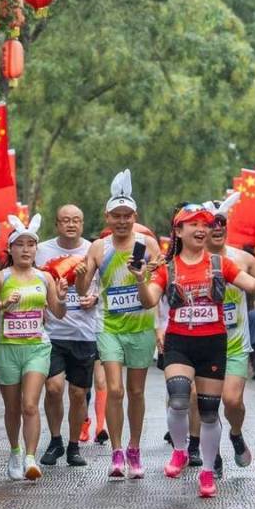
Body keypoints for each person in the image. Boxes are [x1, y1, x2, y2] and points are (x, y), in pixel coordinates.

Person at [135, 203, 255, 498]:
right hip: (179, 342)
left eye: (205, 224)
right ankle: (181, 451)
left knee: (209, 412)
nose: (201, 229)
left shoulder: (221, 265)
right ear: (179, 231)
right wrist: (138, 278)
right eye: (194, 223)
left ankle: (208, 472)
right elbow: (148, 301)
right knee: (180, 394)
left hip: (213, 343)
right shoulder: (168, 268)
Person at [75, 170, 160, 479]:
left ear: (134, 216)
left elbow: (159, 284)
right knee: (115, 390)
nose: (122, 221)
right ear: (107, 216)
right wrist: (79, 275)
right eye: (116, 216)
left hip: (141, 327)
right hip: (109, 328)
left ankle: (134, 449)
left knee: (136, 391)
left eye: (127, 215)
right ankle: (116, 451)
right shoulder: (98, 248)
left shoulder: (149, 244)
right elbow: (84, 291)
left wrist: (148, 271)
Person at [0, 214, 68, 481]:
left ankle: (30, 458)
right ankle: (15, 451)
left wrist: (61, 299)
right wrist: (2, 306)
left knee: (30, 405)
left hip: (37, 348)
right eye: (20, 244)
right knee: (13, 407)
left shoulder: (44, 278)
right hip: (7, 348)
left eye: (31, 245)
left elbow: (58, 313)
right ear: (11, 249)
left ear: (36, 249)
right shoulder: (0, 278)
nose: (26, 249)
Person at [205, 193, 255, 475]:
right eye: (211, 223)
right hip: (202, 342)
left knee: (231, 401)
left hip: (235, 343)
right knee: (205, 402)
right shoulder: (189, 260)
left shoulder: (243, 258)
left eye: (222, 223)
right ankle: (212, 455)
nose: (217, 227)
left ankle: (236, 433)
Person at [36, 204, 100, 468]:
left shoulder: (93, 250)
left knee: (77, 392)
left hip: (84, 332)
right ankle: (55, 440)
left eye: (76, 220)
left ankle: (73, 446)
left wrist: (94, 297)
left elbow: (106, 286)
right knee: (53, 388)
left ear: (82, 224)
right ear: (57, 224)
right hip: (52, 332)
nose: (71, 224)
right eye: (65, 220)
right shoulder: (42, 251)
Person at [79, 362, 109, 444]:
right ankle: (84, 425)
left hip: (99, 349)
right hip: (82, 350)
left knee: (101, 382)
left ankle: (100, 429)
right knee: (84, 385)